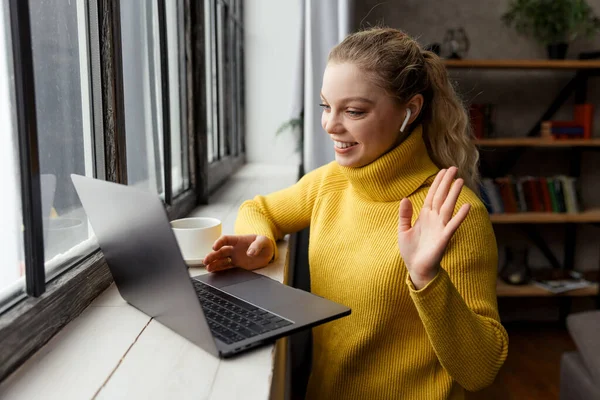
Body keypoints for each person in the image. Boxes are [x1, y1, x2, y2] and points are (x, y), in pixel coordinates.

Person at [203, 27, 508, 400]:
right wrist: (262, 243)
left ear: (409, 111)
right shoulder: (331, 182)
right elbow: (259, 208)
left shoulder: (457, 214)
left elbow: (482, 370)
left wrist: (426, 278)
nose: (331, 125)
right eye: (325, 106)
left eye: (354, 111)